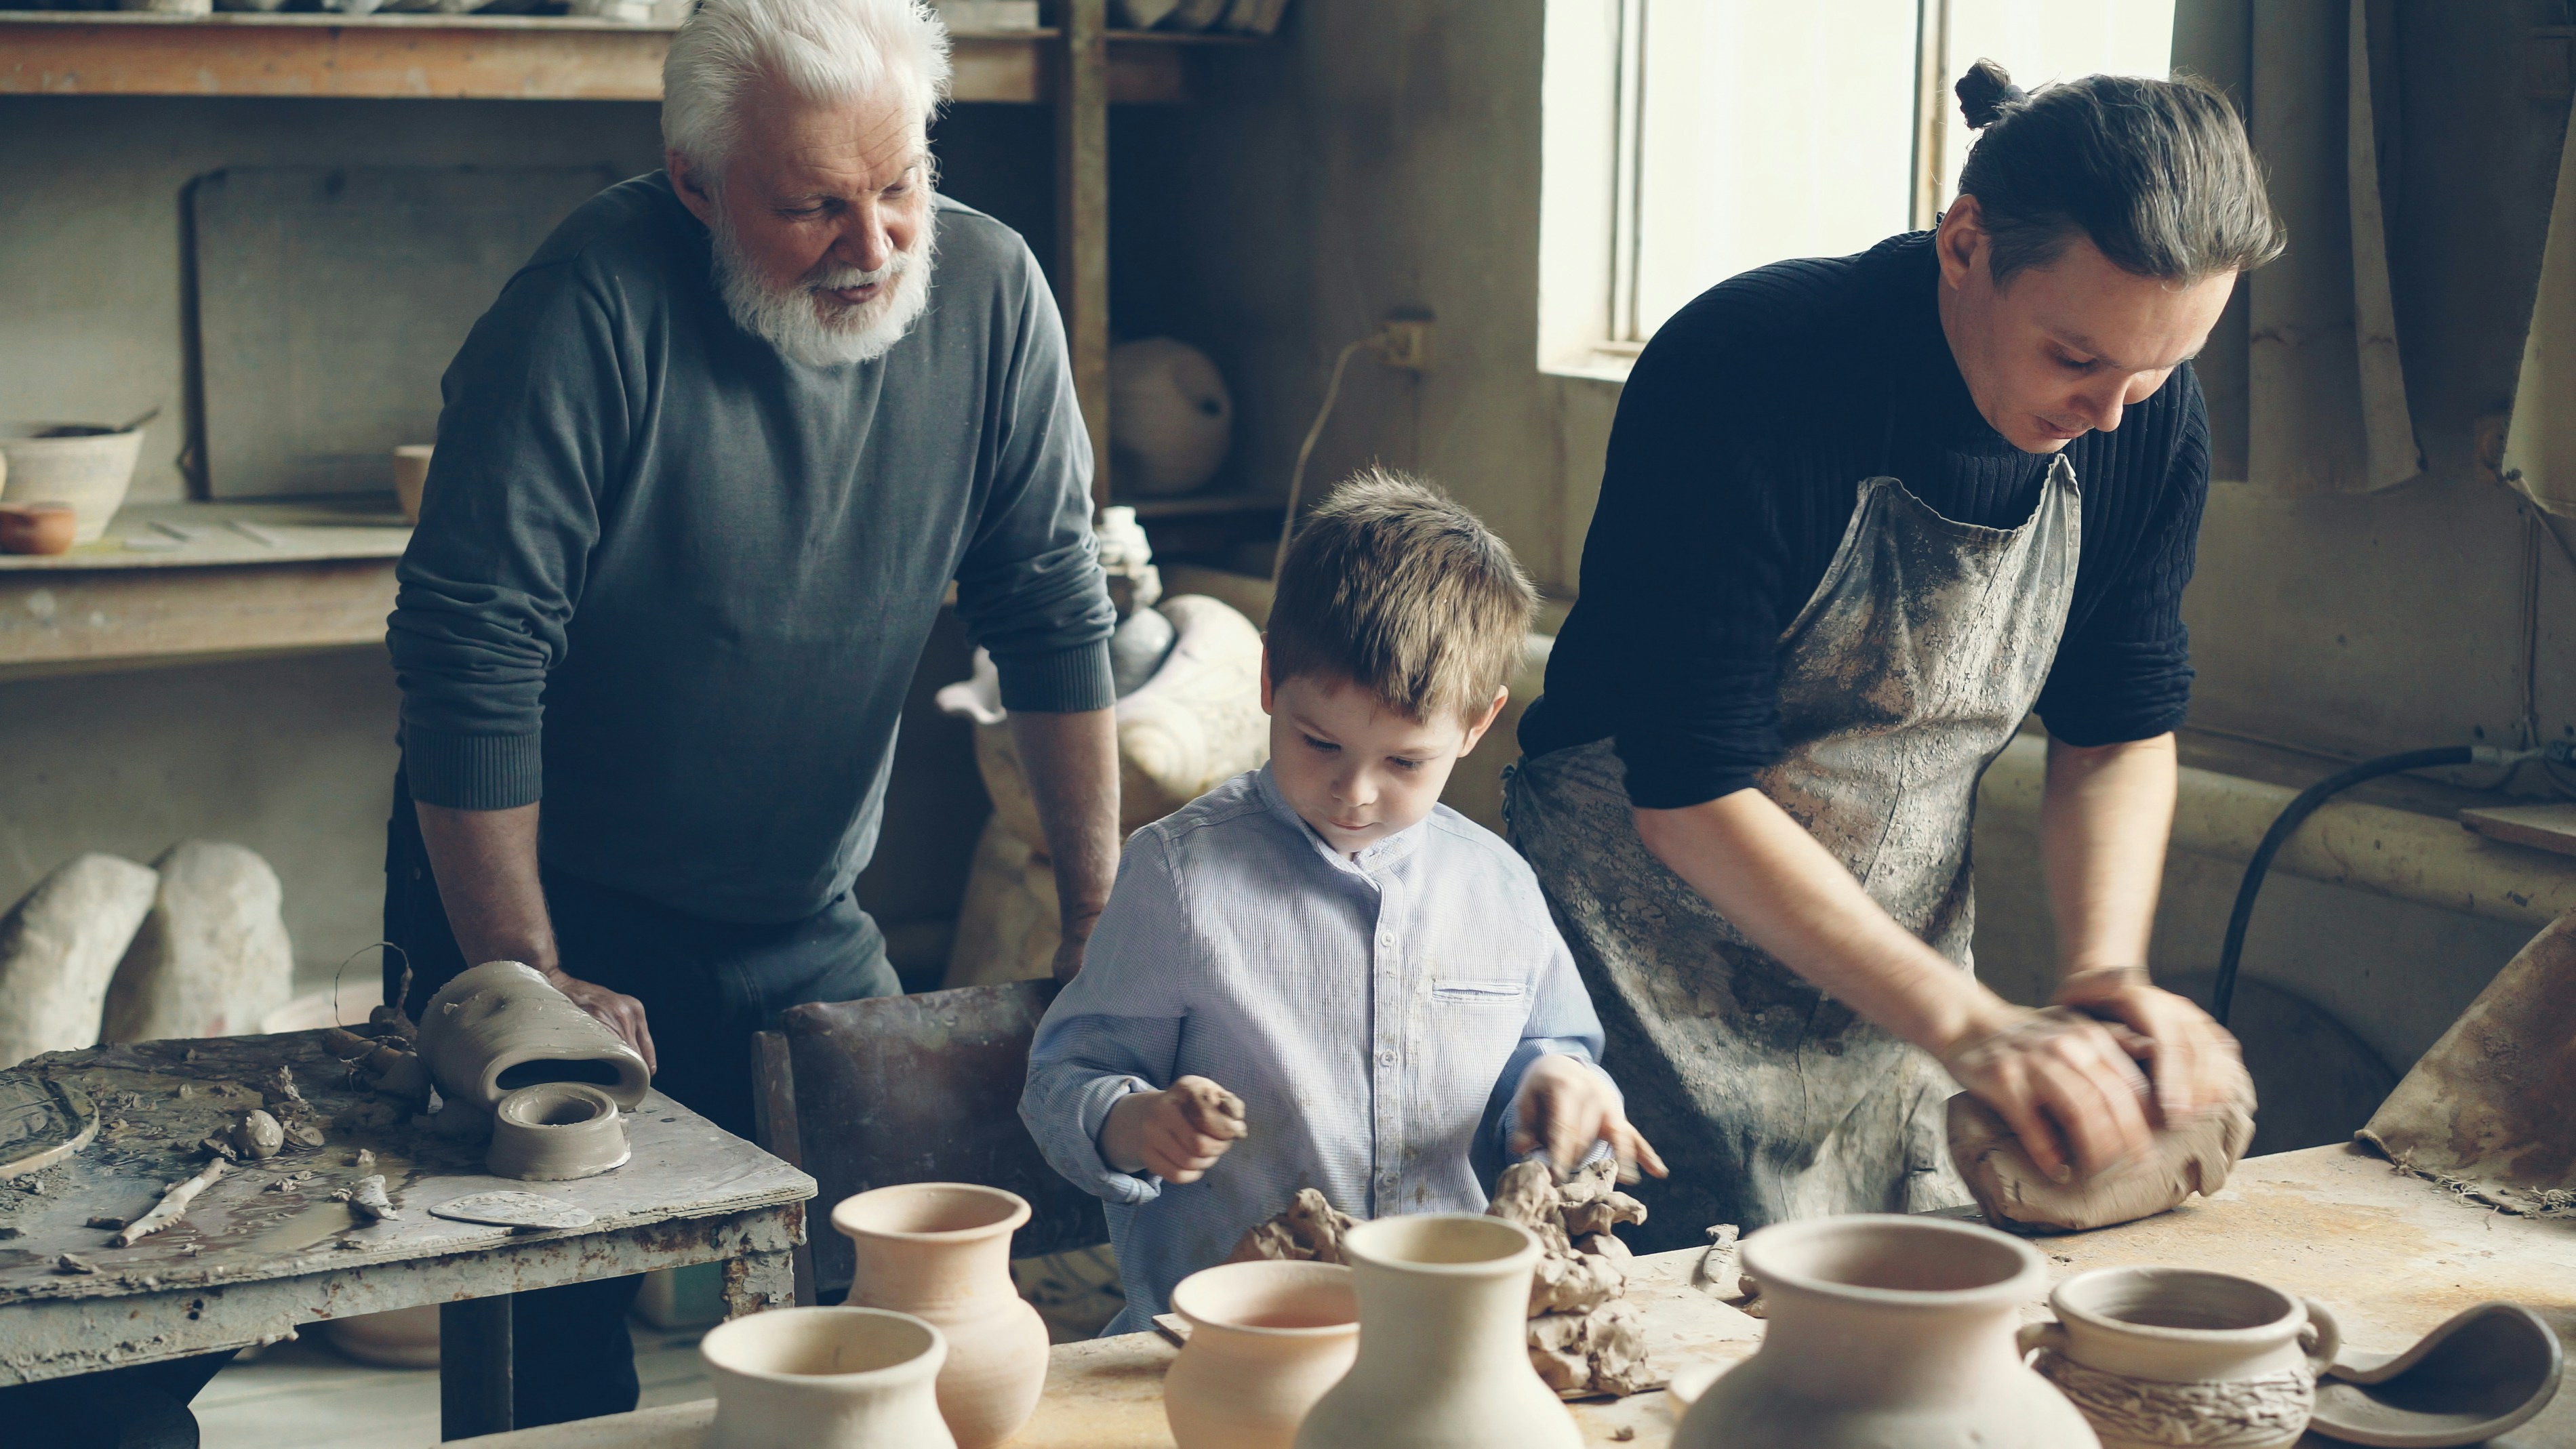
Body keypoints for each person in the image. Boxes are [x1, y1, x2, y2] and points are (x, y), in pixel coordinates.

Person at [382, 0, 1121, 1424]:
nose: (876, 245)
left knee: (911, 1299)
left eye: (901, 185)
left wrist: (1096, 913)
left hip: (801, 906)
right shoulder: (581, 308)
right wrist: (527, 979)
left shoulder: (993, 291)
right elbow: (472, 655)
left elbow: (1047, 601)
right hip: (548, 901)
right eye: (814, 207)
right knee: (559, 1368)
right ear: (697, 184)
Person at [1508, 61, 2276, 1248]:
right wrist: (1968, 1023)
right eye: (2076, 358)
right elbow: (1691, 790)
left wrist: (2104, 971)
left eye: (2163, 365)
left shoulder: (2142, 419)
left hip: (1894, 991)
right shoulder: (1749, 369)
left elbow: (2117, 726)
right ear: (1964, 243)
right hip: (1635, 961)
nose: (2116, 409)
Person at [1022, 472, 1664, 1333]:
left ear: (1477, 726)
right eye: (1318, 741)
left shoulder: (1499, 887)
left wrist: (1560, 1080)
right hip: (1221, 1339)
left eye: (1404, 762)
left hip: (1445, 1332)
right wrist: (1133, 1122)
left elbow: (1544, 1049)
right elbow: (1063, 1081)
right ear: (1268, 680)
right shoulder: (1179, 876)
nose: (1354, 791)